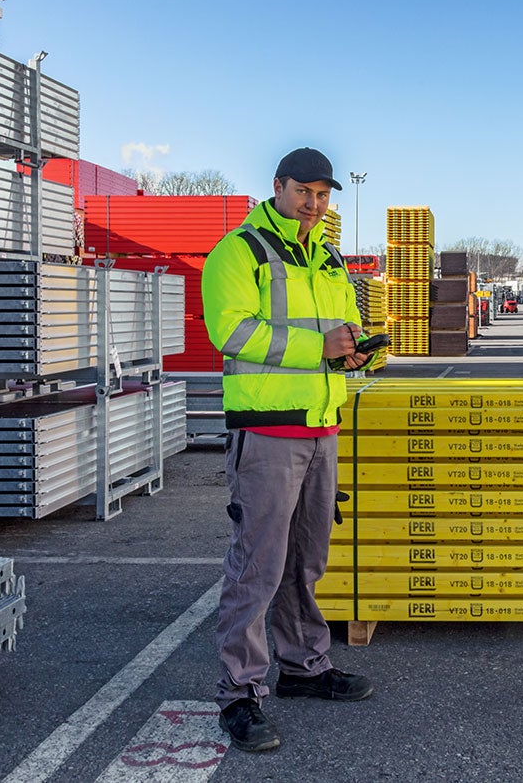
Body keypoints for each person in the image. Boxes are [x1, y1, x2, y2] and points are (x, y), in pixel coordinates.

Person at [201, 146, 373, 753]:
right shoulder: (239, 251)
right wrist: (319, 348)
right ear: (278, 186)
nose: (314, 204)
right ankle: (239, 693)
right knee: (257, 567)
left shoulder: (326, 259)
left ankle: (304, 667)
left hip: (320, 425)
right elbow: (232, 332)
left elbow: (340, 326)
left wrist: (352, 348)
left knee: (305, 562)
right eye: (305, 192)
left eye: (324, 196)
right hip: (268, 429)